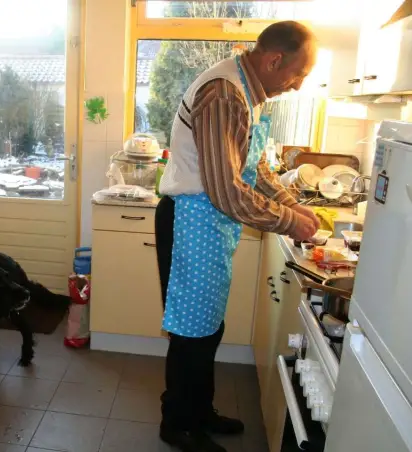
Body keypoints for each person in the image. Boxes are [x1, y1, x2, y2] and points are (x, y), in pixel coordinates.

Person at [155, 21, 320, 452]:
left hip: (209, 222)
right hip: (192, 218)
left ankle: (200, 412)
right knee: (192, 332)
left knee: (207, 329)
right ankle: (178, 424)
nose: (298, 86)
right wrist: (288, 220)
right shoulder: (224, 93)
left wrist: (290, 202)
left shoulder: (249, 93)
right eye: (297, 74)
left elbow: (255, 166)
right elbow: (226, 190)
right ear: (274, 60)